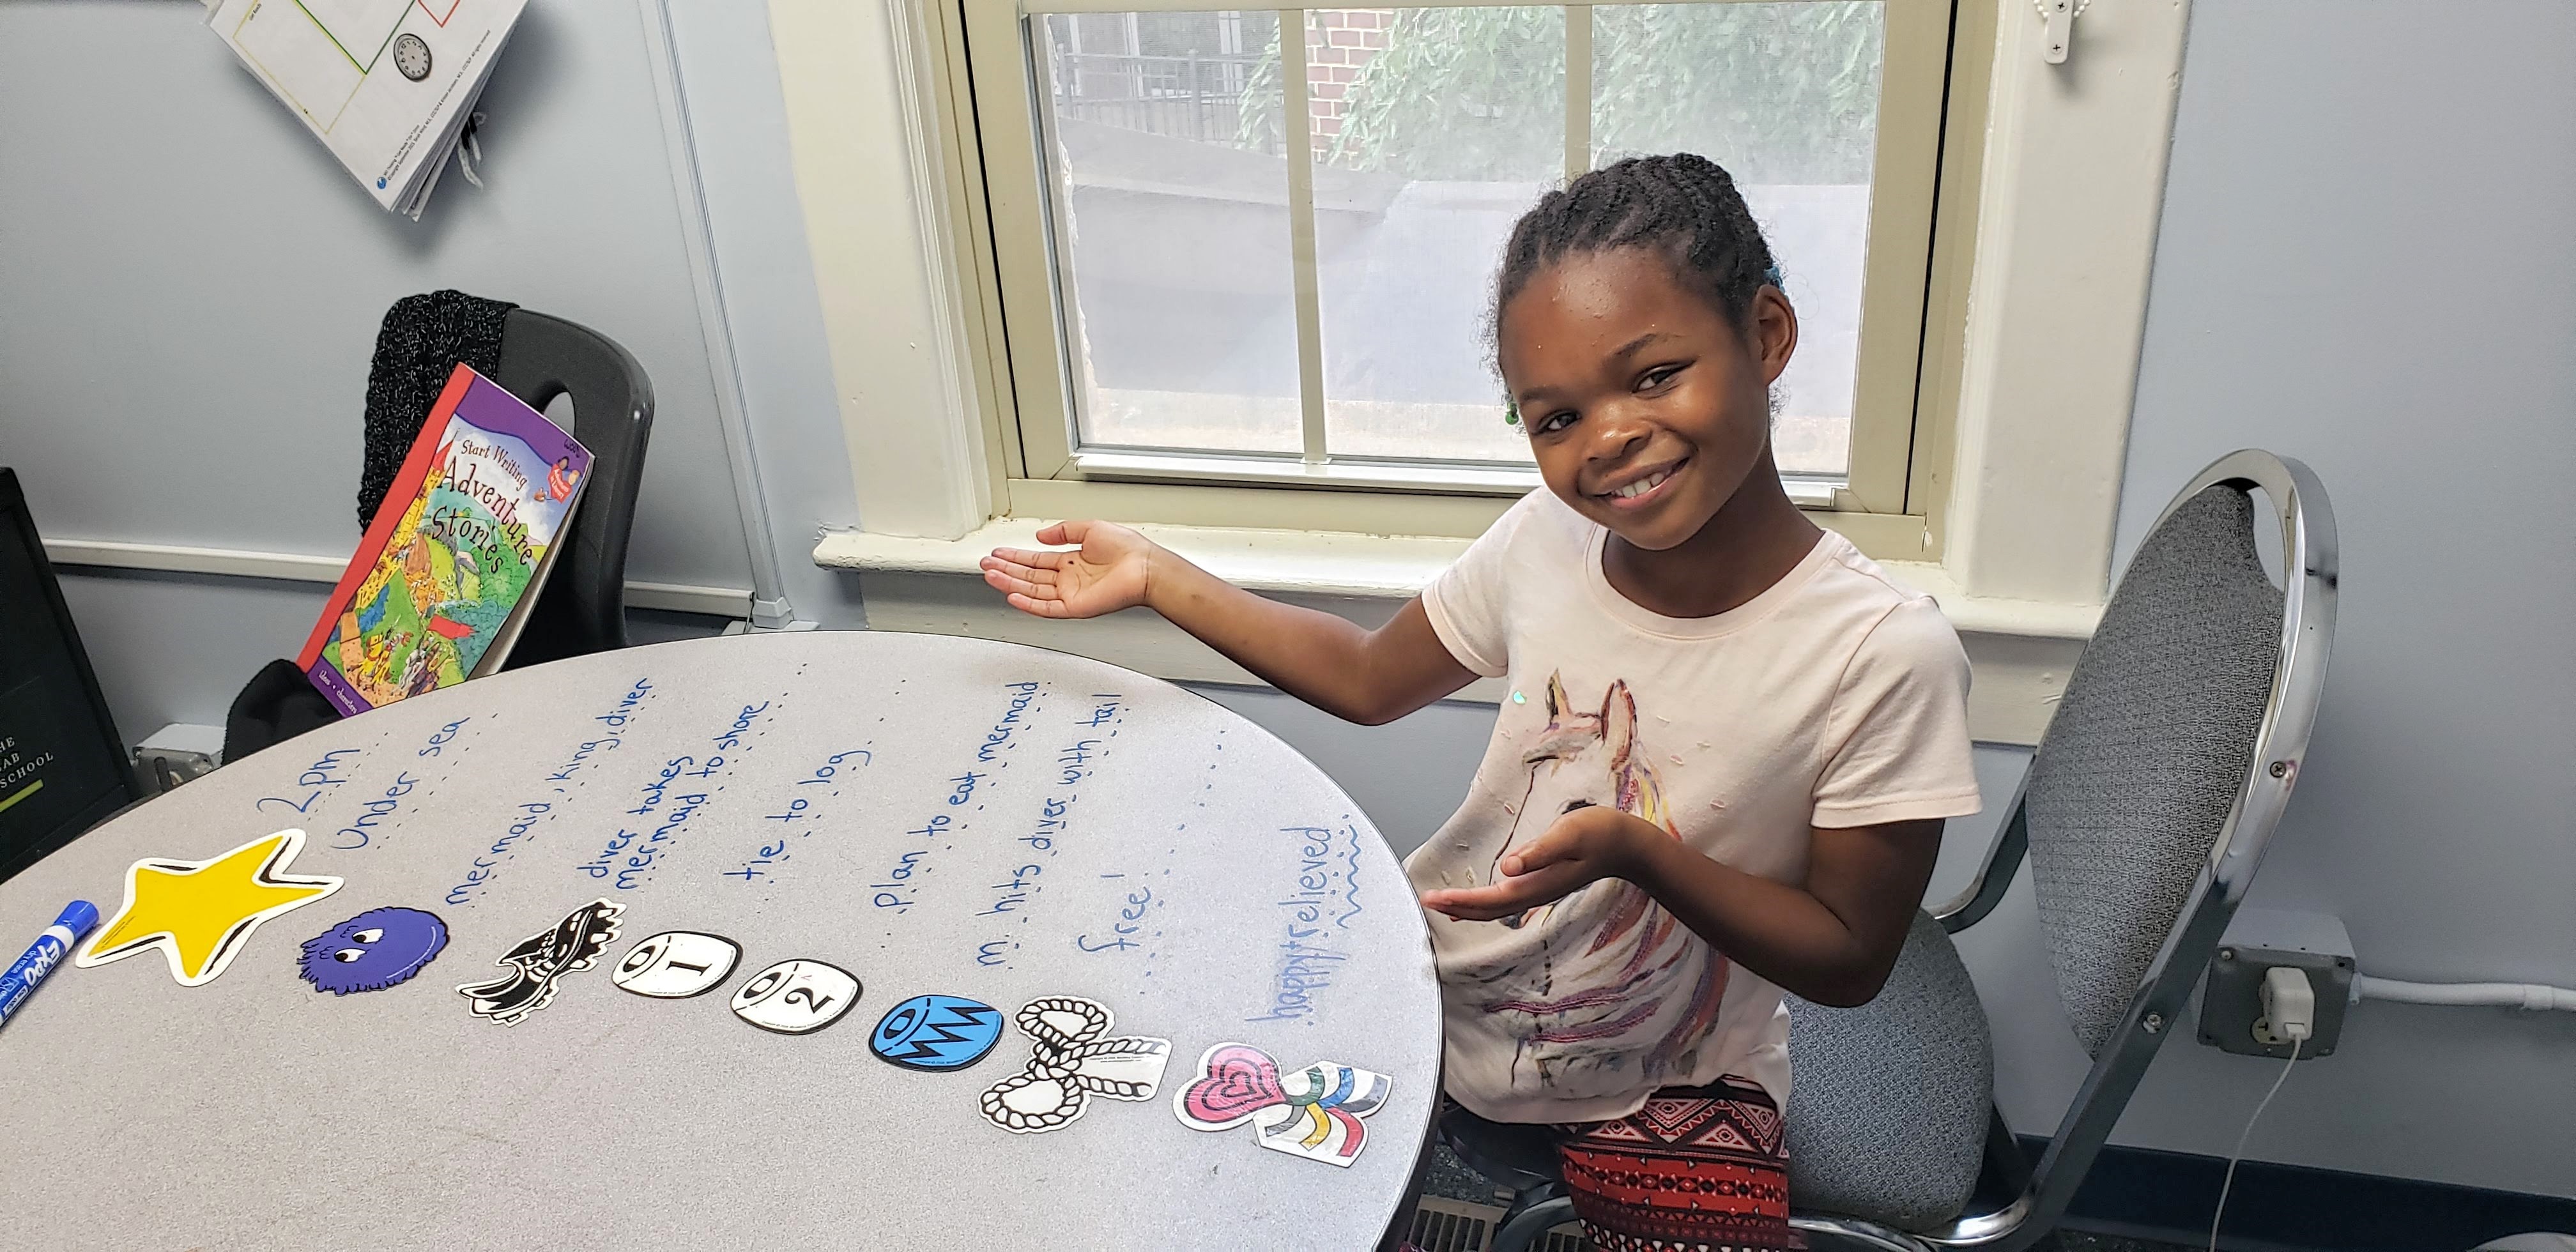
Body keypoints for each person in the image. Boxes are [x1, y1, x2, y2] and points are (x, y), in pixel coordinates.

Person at [979, 153, 1979, 1252]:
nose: (1607, 438)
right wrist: (1157, 574)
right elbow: (1369, 679)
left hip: (1666, 1068)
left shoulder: (1883, 653)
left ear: (1768, 334)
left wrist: (1638, 854)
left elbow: (1849, 957)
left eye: (1653, 376)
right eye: (1555, 418)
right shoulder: (1551, 539)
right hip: (1443, 977)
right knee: (1207, 1165)